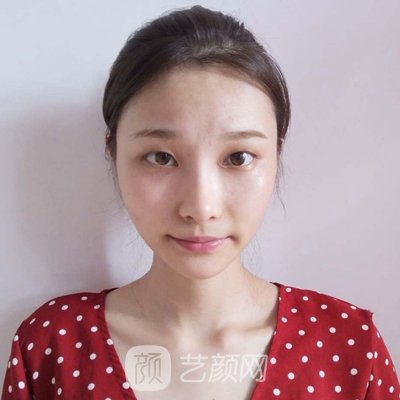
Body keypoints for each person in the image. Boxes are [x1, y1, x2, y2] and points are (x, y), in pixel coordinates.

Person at [2, 5, 399, 399]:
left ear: (276, 155)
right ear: (114, 153)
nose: (200, 207)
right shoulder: (52, 347)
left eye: (238, 157)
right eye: (161, 157)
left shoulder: (350, 347)